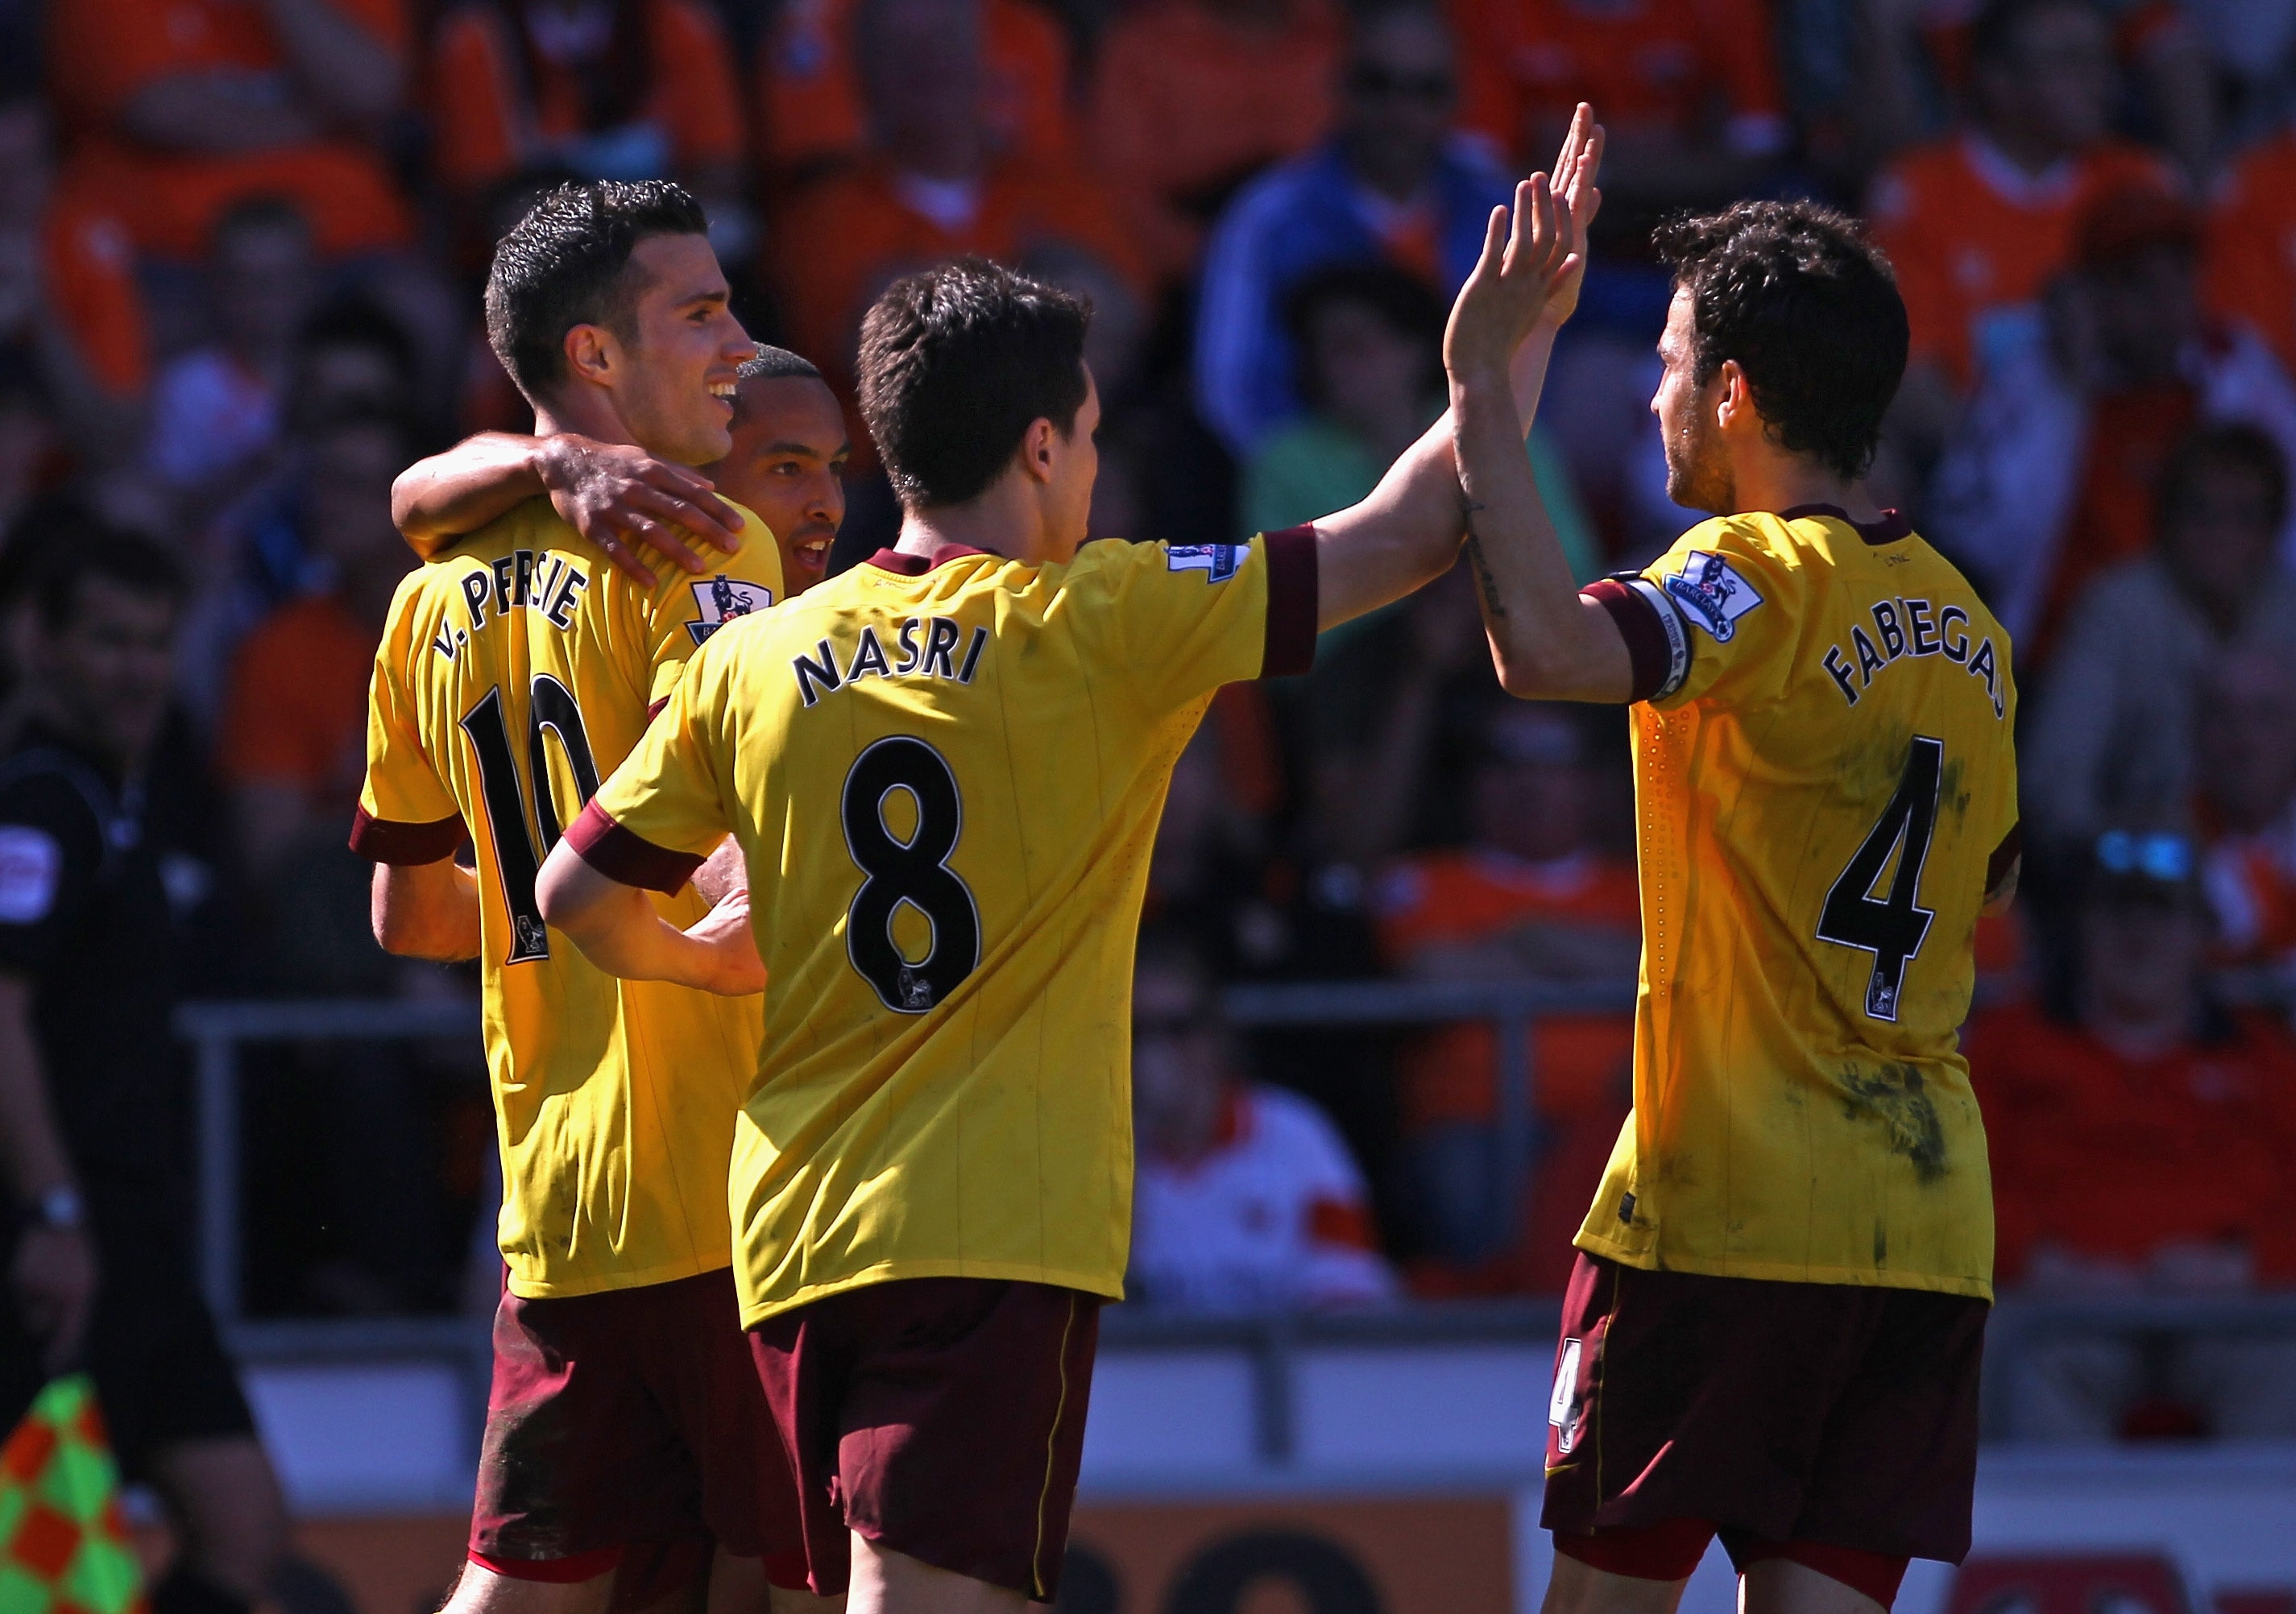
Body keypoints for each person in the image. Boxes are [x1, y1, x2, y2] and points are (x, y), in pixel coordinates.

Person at [530, 118, 1601, 1613]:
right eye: (1089, 436)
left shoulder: (756, 660)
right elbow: (1418, 527)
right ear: (1042, 445)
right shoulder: (1101, 621)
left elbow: (573, 893)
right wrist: (1498, 353)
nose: (1094, 466)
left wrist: (708, 955)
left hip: (788, 1231)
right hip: (989, 1234)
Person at [1450, 163, 2021, 1598]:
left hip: (1723, 1209)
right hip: (1922, 1226)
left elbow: (1547, 652)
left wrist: (1478, 376)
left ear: (1737, 393)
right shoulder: (1973, 630)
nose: (1650, 399)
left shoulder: (1753, 575)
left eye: (1665, 365)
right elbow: (1987, 884)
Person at [346, 180, 809, 1613]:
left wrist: (547, 883)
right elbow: (741, 843)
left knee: (524, 1589)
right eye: (702, 312)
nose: (740, 342)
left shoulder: (425, 601)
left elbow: (410, 918)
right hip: (736, 1187)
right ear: (596, 356)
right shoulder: (707, 543)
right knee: (842, 1578)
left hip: (561, 1199)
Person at [0, 532, 288, 1614]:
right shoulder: (41, 805)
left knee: (245, 1530)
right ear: (38, 640)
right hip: (64, 1247)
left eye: (154, 644)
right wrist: (52, 1212)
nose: (134, 669)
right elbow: (1, 1013)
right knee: (59, 1577)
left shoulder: (116, 802)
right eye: (107, 640)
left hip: (136, 1245)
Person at [1971, 831, 2296, 1439]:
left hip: (2238, 1315)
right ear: (2082, 927)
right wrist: (2036, 1263)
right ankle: (2059, 1538)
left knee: (2286, 1370)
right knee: (2017, 1363)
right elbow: (1955, 1186)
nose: (2138, 935)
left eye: (2161, 913)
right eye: (2117, 911)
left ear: (2201, 933)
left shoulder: (2267, 1058)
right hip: (2058, 1312)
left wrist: (2246, 1266)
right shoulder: (2007, 1048)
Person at [1927, 191, 2296, 658]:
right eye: (2140, 284)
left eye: (2180, 277)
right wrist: (2070, 394)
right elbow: (1979, 545)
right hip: (2054, 655)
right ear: (2088, 292)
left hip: (2213, 654)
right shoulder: (2033, 379)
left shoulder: (2238, 371)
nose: (2168, 305)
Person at [772, 0, 1141, 420]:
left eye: (946, 41)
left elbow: (1116, 324)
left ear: (983, 57)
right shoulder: (824, 218)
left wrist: (925, 299)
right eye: (903, 50)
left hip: (1049, 459)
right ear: (865, 75)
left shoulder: (1062, 192)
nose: (930, 61)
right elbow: (868, 351)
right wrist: (1038, 303)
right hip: (890, 475)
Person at [1372, 702, 1637, 1281]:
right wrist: (1591, 961)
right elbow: (1433, 978)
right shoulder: (1424, 880)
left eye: (1552, 764)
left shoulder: (1640, 884)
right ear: (1473, 780)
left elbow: (1664, 970)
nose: (1529, 783)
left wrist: (1531, 935)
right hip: (1474, 1131)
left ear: (1593, 782)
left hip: (1622, 1127)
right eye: (1505, 763)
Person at [1195, 0, 1511, 457]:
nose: (1400, 110)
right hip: (1324, 481)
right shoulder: (1272, 216)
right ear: (1341, 85)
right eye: (1377, 83)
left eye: (1426, 90)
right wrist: (1330, 472)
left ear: (1457, 98)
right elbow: (1234, 392)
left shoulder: (1495, 202)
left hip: (1481, 460)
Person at [1864, 0, 2177, 438]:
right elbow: (1907, 372)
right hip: (1968, 464)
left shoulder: (2142, 184)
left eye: (2101, 59)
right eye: (2071, 61)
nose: (2099, 81)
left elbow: (2189, 350)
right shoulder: (1919, 192)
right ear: (2000, 82)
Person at [2020, 424, 2296, 850]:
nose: (2222, 533)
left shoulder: (2289, 609)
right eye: (2201, 510)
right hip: (2135, 870)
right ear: (2166, 517)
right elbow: (2053, 781)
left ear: (2274, 528)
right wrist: (2128, 854)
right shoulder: (2116, 608)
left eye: (2246, 514)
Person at [393, 343, 851, 596]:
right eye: (788, 468)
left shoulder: (847, 635)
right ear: (681, 466)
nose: (829, 505)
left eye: (837, 469)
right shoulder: (659, 593)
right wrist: (557, 459)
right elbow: (408, 498)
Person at [1129, 928, 1396, 1314]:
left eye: (1177, 1029)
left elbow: (1350, 1282)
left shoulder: (1293, 1131)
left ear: (1214, 1033)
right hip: (1156, 1372)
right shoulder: (1095, 1155)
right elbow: (1099, 1310)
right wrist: (1129, 1140)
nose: (1155, 1054)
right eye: (1137, 1033)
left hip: (1284, 1368)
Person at [44, 0, 412, 259]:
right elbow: (159, 111)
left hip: (346, 238)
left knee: (418, 317)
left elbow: (373, 91)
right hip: (168, 252)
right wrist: (327, 120)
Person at [1088, 0, 1345, 286]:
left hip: (1327, 249)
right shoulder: (1144, 45)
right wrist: (1218, 256)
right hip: (1187, 264)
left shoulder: (1341, 38)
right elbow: (1121, 187)